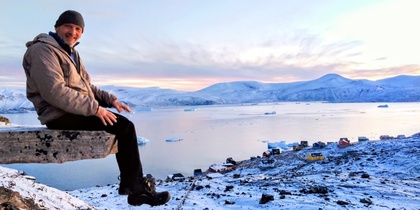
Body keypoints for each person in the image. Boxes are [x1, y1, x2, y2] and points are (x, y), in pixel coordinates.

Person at [22, 10, 170, 207]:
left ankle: (134, 187)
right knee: (124, 126)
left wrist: (110, 100)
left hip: (73, 110)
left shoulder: (71, 53)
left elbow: (86, 87)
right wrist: (96, 109)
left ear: (81, 33)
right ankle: (136, 190)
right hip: (58, 114)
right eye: (68, 26)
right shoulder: (43, 50)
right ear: (57, 27)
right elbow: (54, 92)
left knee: (124, 126)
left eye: (78, 29)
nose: (72, 32)